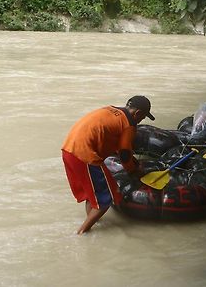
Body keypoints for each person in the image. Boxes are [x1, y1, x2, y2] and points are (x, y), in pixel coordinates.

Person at [61, 95, 155, 234]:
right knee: (106, 199)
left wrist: (133, 163)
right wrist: (134, 171)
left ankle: (93, 222)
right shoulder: (128, 124)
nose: (141, 121)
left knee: (92, 195)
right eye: (142, 117)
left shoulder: (111, 111)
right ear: (137, 113)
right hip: (84, 155)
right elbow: (124, 153)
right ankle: (81, 233)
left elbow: (117, 145)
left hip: (69, 150)